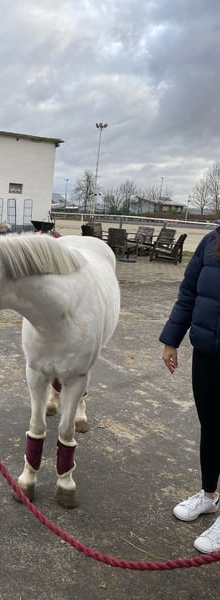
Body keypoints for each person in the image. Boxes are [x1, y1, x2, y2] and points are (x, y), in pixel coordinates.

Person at [160, 224, 220, 554]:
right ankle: (209, 496)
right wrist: (172, 339)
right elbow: (189, 293)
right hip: (207, 354)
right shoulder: (211, 241)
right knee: (210, 428)